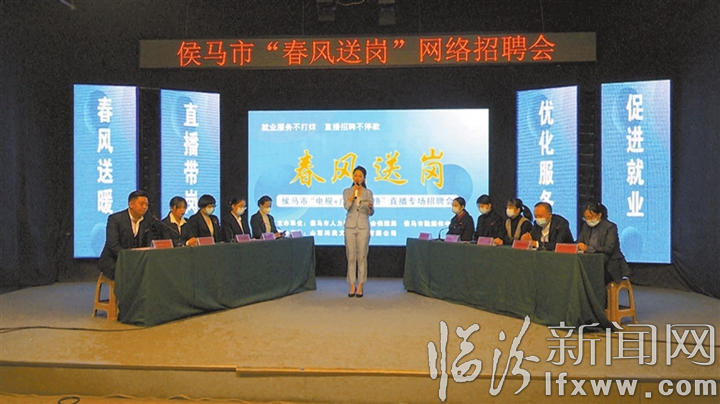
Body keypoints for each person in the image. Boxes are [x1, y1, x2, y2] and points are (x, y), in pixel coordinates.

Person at [98, 190, 156, 280]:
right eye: (141, 204)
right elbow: (113, 245)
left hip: (137, 261)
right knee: (131, 273)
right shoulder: (115, 219)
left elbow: (149, 243)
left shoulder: (148, 221)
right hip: (114, 260)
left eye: (146, 205)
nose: (145, 207)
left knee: (153, 271)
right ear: (131, 204)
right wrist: (129, 258)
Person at [576, 201, 631, 284]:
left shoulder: (610, 227)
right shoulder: (586, 226)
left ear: (599, 215)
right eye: (585, 217)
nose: (588, 220)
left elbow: (609, 249)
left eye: (590, 217)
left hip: (609, 265)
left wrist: (588, 248)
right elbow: (579, 241)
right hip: (589, 262)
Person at [343, 166, 374, 298]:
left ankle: (360, 285)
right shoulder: (347, 191)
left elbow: (371, 213)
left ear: (364, 179)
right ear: (353, 177)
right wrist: (352, 196)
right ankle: (351, 285)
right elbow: (346, 206)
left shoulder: (368, 193)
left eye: (360, 176)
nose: (357, 178)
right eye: (355, 175)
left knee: (362, 256)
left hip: (363, 226)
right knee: (351, 256)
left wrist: (370, 208)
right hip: (350, 226)